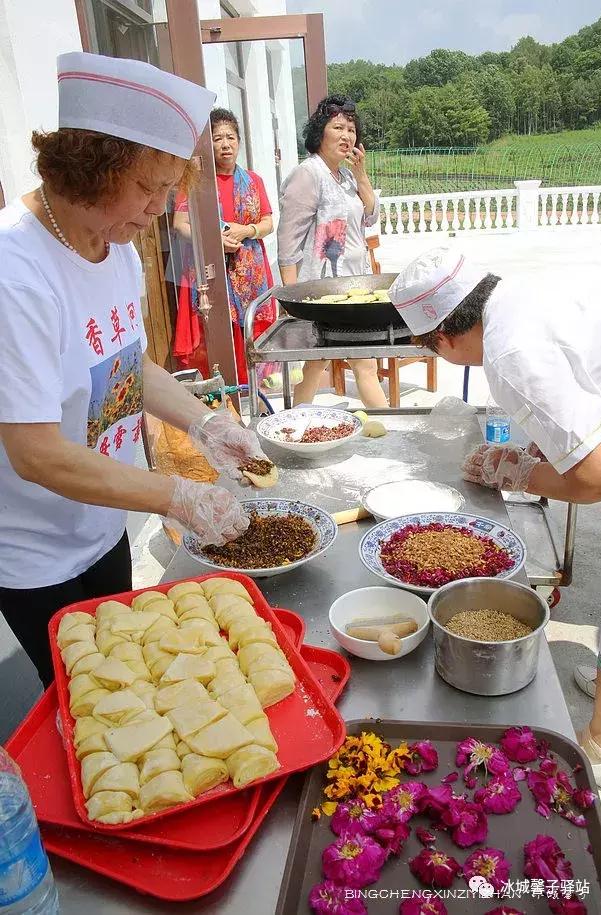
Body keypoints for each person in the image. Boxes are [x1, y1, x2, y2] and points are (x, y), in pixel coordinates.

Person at [0, 52, 270, 687]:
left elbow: (128, 365)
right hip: (38, 552)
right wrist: (175, 495)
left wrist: (206, 423)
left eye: (168, 189)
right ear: (92, 166)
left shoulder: (114, 243)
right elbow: (36, 454)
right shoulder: (16, 274)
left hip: (104, 518)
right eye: (148, 188)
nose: (158, 208)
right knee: (95, 701)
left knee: (137, 675)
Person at [389, 246, 601, 790]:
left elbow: (599, 478)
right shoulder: (517, 293)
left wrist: (520, 474)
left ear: (443, 338)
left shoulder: (510, 353)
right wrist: (537, 453)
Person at [277, 95, 388, 409]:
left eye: (351, 129)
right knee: (343, 363)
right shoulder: (308, 174)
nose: (346, 135)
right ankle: (389, 426)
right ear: (319, 132)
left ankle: (298, 416)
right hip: (323, 293)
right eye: (338, 127)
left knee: (334, 364)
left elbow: (371, 215)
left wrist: (362, 173)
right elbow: (287, 242)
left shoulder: (347, 176)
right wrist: (291, 300)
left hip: (355, 287)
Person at [173, 107, 276, 384]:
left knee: (249, 333)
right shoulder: (195, 181)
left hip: (249, 272)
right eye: (217, 139)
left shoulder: (253, 181)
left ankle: (250, 388)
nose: (225, 145)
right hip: (210, 270)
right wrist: (213, 239)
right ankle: (223, 391)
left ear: (239, 141)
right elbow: (180, 224)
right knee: (216, 334)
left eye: (230, 137)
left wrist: (247, 230)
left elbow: (268, 222)